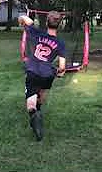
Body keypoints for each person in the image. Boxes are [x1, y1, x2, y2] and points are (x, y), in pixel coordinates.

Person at [18, 11, 66, 141]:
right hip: (47, 73)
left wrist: (21, 19)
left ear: (46, 22)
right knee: (43, 92)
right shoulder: (60, 43)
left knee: (30, 104)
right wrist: (60, 73)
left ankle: (35, 115)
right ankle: (38, 111)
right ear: (59, 25)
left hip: (33, 70)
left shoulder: (37, 33)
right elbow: (62, 66)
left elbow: (26, 20)